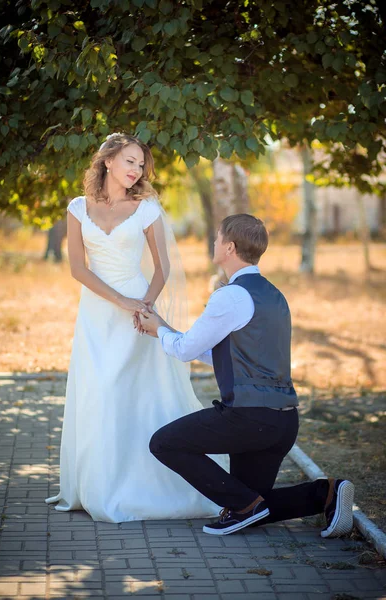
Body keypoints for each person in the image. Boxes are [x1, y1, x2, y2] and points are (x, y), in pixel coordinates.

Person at [140, 214, 355, 537]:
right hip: (282, 422)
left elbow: (185, 351)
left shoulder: (230, 295)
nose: (213, 244)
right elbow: (215, 353)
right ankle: (324, 493)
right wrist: (166, 331)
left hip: (249, 418)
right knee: (252, 502)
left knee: (165, 443)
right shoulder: (273, 295)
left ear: (229, 247)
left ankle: (245, 506)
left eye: (216, 239)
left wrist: (159, 330)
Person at [45, 132, 221, 522]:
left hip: (139, 313)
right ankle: (98, 486)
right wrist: (118, 300)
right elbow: (77, 268)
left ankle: (150, 481)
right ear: (108, 161)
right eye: (129, 161)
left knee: (139, 393)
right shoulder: (77, 208)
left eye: (140, 164)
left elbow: (163, 268)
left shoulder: (146, 209)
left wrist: (145, 305)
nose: (136, 170)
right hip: (97, 313)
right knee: (100, 390)